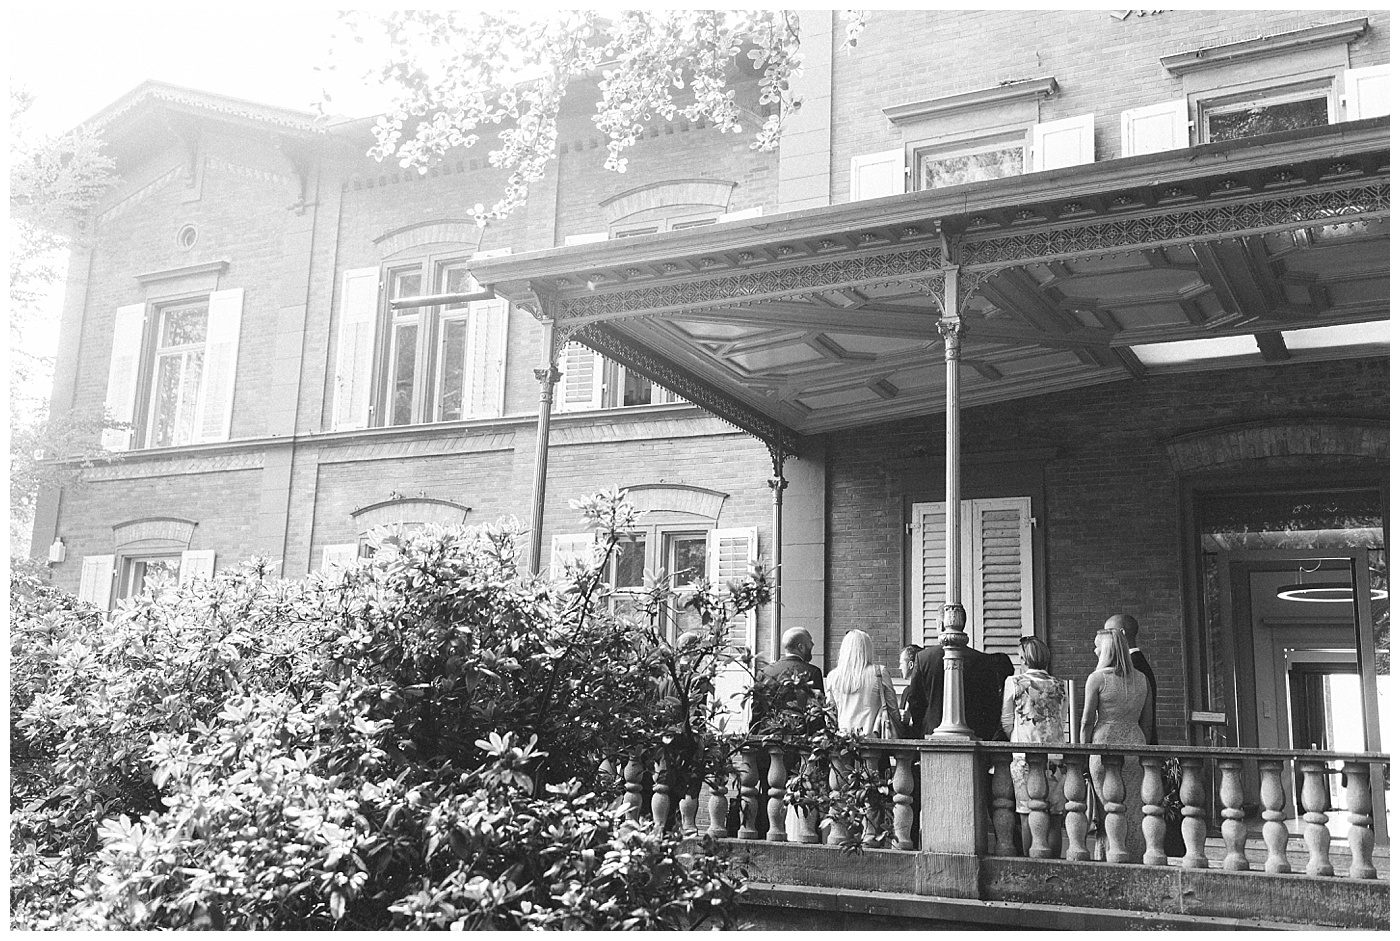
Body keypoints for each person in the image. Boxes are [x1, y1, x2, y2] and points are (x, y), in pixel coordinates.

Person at [1080, 625, 1153, 862]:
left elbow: (1086, 721)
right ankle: (1134, 856)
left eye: (1097, 647)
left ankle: (1109, 856)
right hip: (1135, 744)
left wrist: (1083, 752)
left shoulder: (1097, 679)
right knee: (1133, 808)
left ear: (1106, 650)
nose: (1094, 650)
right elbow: (1147, 722)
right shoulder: (1142, 679)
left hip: (1104, 745)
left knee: (1106, 808)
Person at [1000, 636, 1066, 857]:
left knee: (1027, 814)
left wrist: (1017, 738)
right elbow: (1061, 718)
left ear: (1024, 658)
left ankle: (1031, 862)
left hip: (1024, 754)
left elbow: (1006, 720)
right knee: (1054, 816)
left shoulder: (1014, 682)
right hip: (1055, 755)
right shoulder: (1059, 685)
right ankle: (1054, 862)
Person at [906, 637, 1015, 740]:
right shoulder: (981, 659)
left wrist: (921, 727)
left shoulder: (923, 657)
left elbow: (915, 700)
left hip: (930, 731)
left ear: (939, 626)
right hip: (973, 732)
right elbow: (989, 703)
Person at [750, 626, 825, 734]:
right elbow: (817, 714)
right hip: (800, 738)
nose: (812, 646)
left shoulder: (764, 672)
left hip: (768, 736)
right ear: (801, 647)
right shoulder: (813, 672)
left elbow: (757, 712)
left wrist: (753, 736)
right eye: (810, 644)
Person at [825, 630, 900, 735]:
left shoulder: (833, 676)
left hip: (843, 738)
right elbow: (893, 709)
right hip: (873, 737)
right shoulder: (879, 672)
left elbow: (830, 714)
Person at [1106, 613, 1157, 745]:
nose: (1104, 639)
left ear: (1122, 633)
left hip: (1135, 742)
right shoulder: (1138, 662)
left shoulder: (1132, 666)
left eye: (1108, 633)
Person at [897, 643, 921, 730]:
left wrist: (910, 719)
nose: (899, 667)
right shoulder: (906, 691)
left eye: (901, 663)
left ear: (910, 665)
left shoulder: (923, 691)